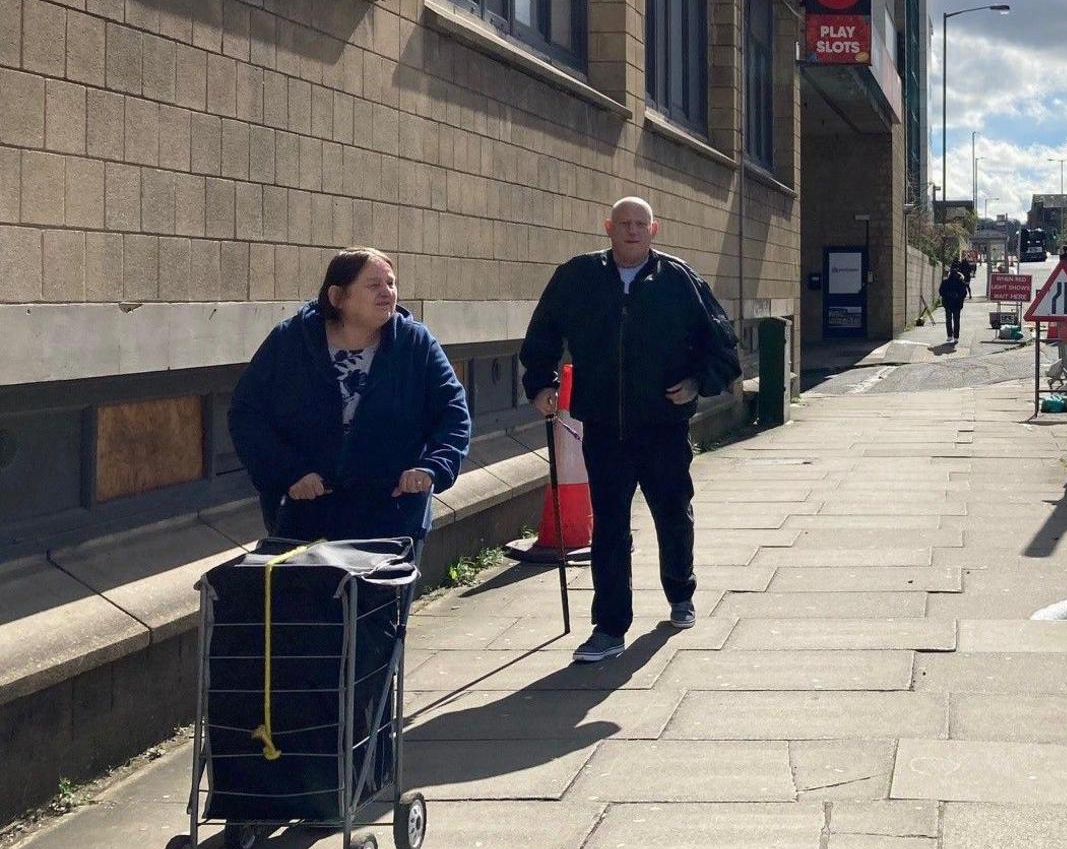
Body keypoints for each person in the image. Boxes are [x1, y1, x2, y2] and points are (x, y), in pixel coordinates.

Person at [520, 197, 741, 663]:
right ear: (608, 227)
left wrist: (700, 381)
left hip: (663, 424)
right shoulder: (577, 276)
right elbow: (543, 332)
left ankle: (681, 592)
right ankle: (609, 627)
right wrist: (541, 383)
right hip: (604, 425)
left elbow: (720, 339)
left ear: (654, 229)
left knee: (673, 513)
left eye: (641, 223)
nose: (633, 230)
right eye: (624, 223)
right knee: (611, 528)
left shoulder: (679, 279)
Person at [230, 248, 471, 553]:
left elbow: (454, 414)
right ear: (337, 296)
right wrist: (287, 473)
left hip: (390, 515)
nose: (387, 293)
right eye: (374, 285)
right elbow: (246, 414)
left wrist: (431, 468)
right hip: (305, 514)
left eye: (391, 283)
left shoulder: (415, 343)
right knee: (306, 600)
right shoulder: (290, 341)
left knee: (378, 601)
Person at [938, 267, 969, 340]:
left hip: (948, 304)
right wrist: (959, 297)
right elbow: (964, 293)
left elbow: (941, 292)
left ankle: (949, 336)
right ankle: (956, 337)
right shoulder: (961, 282)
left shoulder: (945, 282)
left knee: (948, 320)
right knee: (956, 320)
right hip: (957, 304)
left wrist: (947, 296)